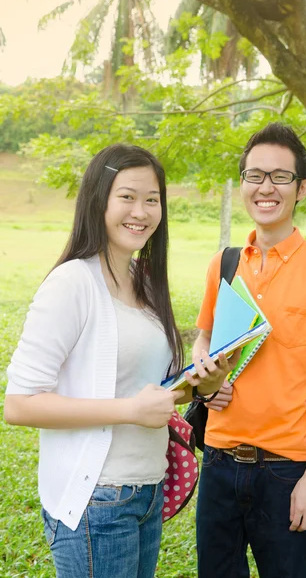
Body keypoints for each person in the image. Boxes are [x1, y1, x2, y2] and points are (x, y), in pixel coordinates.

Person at [4, 144, 236, 578]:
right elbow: (19, 404)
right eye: (127, 196)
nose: (142, 211)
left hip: (146, 491)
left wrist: (202, 384)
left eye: (152, 199)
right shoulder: (72, 283)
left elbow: (149, 387)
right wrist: (130, 411)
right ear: (99, 200)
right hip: (97, 501)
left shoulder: (142, 281)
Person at [193, 123, 306, 578]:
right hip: (219, 462)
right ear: (243, 183)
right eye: (254, 175)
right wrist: (209, 381)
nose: (266, 187)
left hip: (287, 471)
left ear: (301, 187)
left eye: (280, 177)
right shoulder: (225, 264)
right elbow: (203, 338)